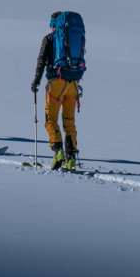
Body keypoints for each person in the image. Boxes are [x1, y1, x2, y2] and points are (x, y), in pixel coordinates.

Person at [31, 11, 85, 170]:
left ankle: (58, 151)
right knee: (69, 122)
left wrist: (36, 81)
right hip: (73, 83)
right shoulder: (71, 38)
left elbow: (41, 61)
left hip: (57, 83)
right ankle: (71, 158)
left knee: (50, 118)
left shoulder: (49, 38)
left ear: (54, 24)